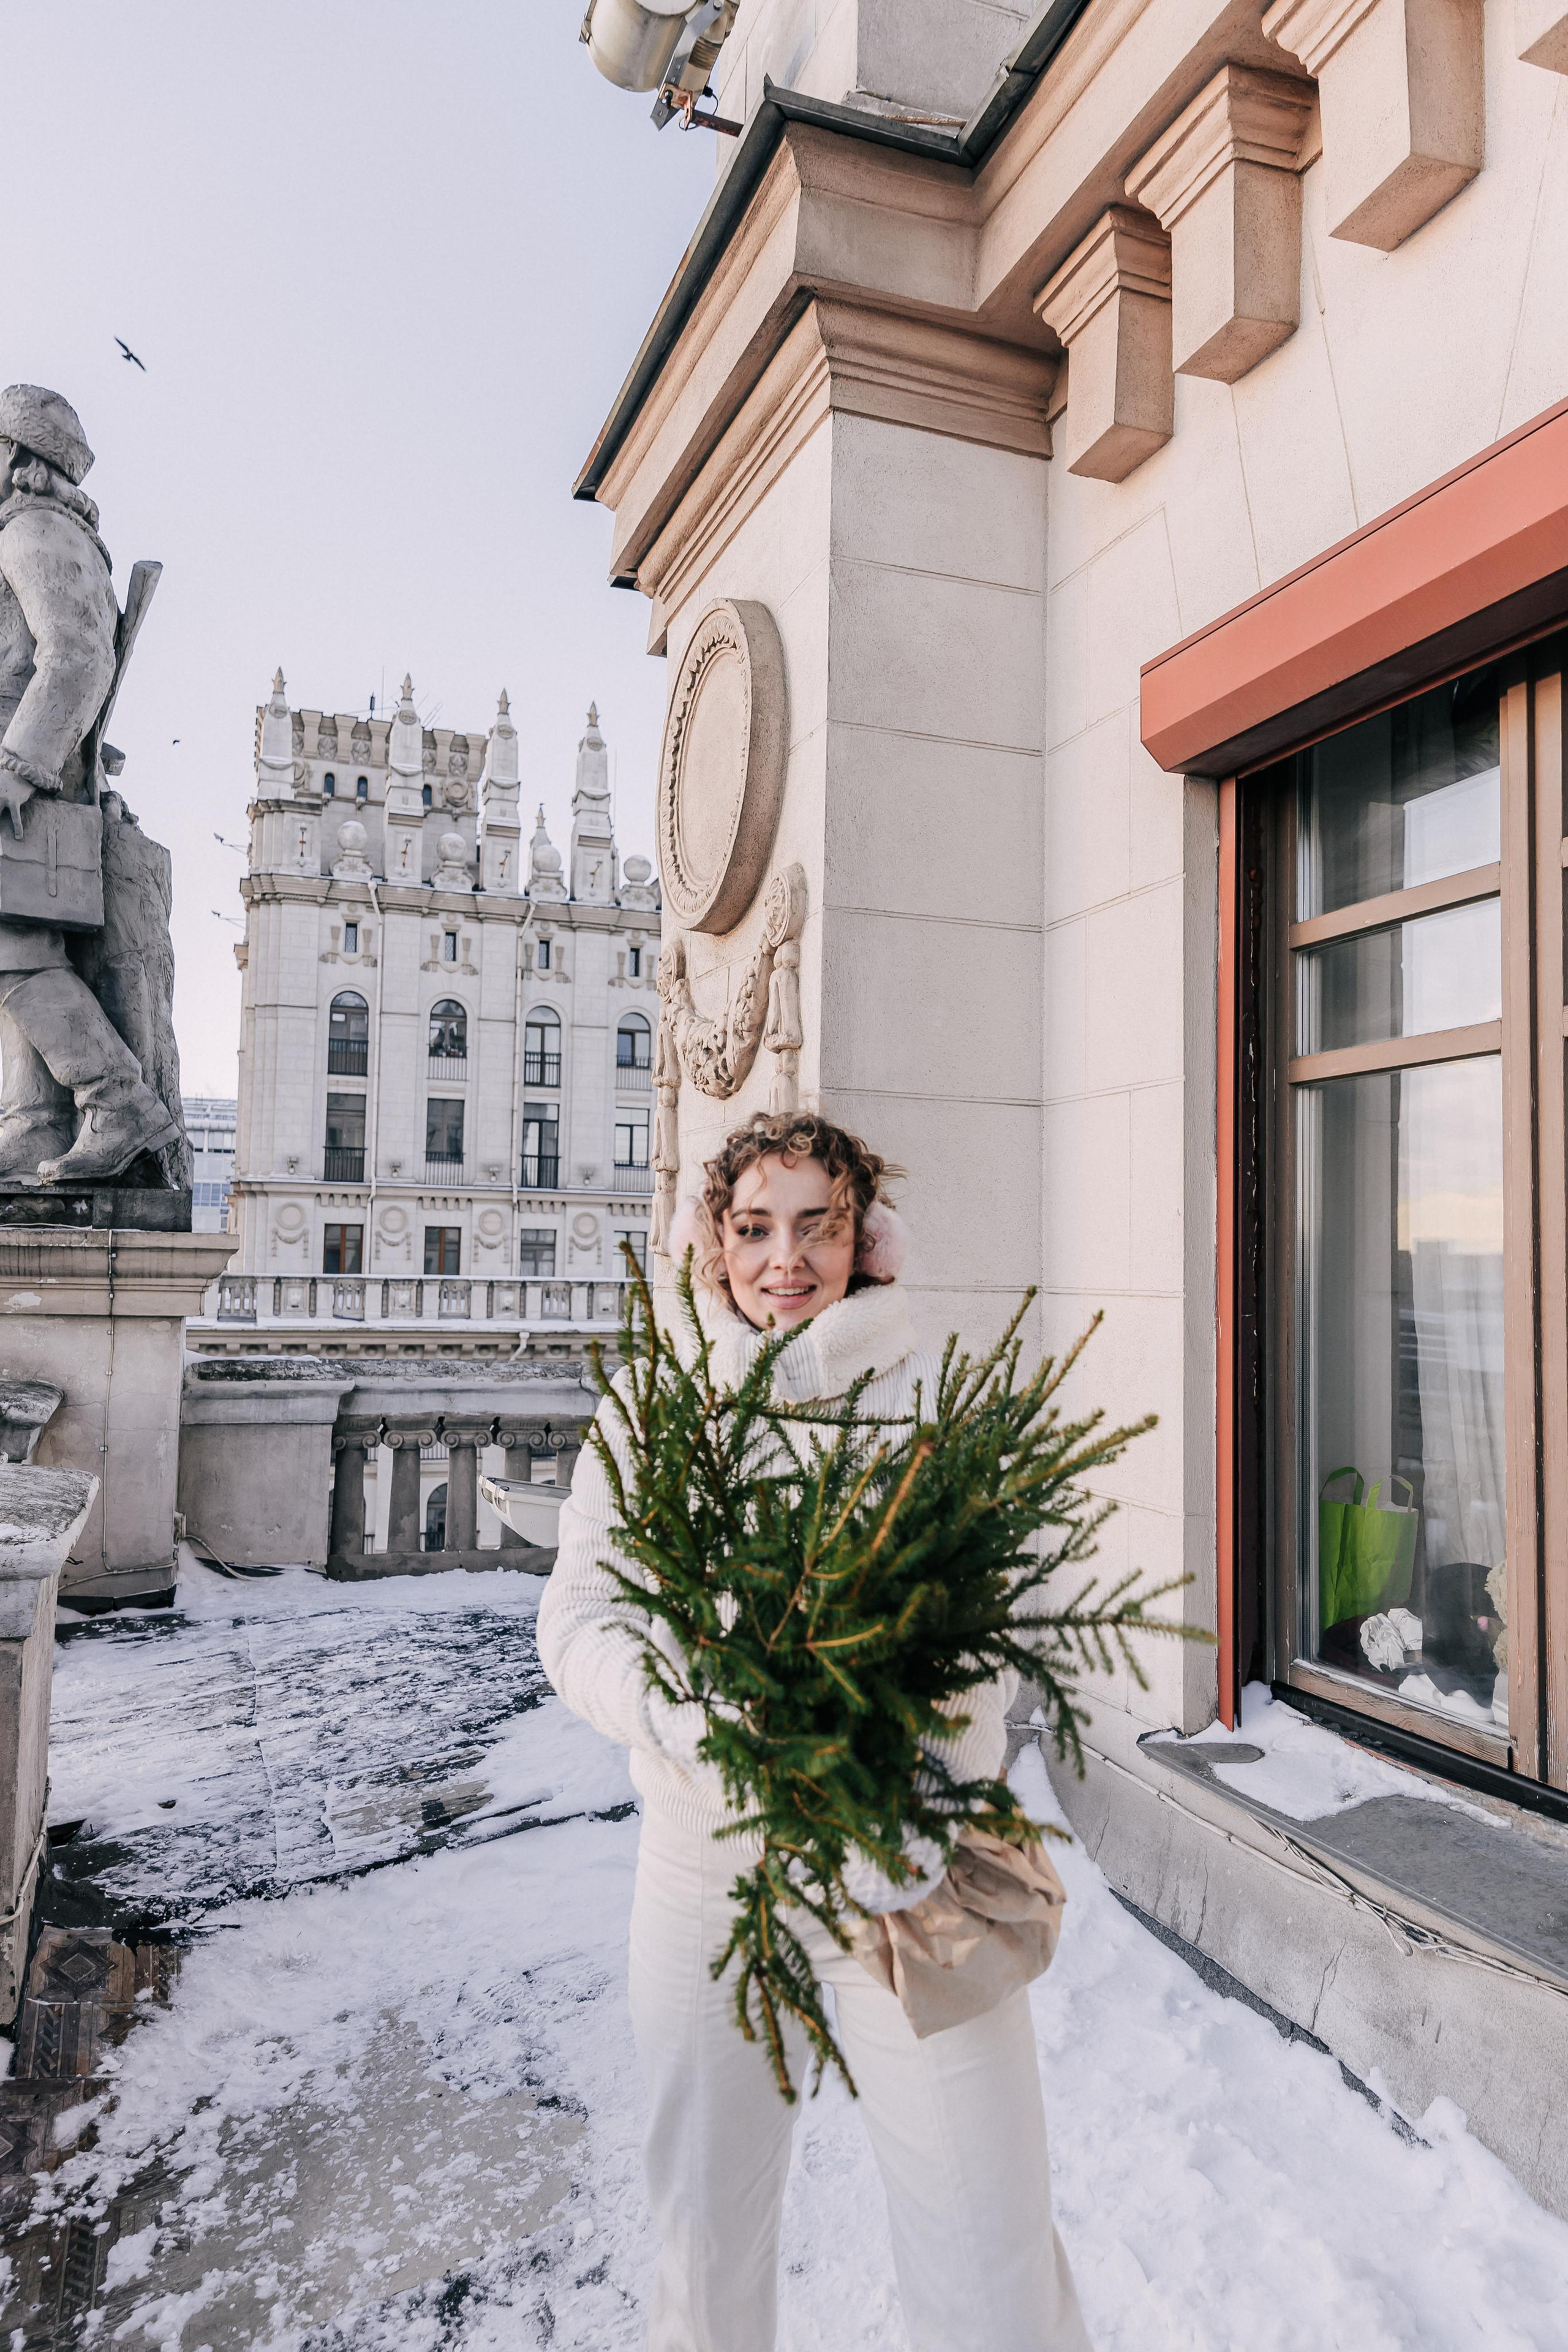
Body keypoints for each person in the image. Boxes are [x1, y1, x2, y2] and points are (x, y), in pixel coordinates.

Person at [538, 1110, 1093, 2352]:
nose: (783, 1260)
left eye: (815, 1227)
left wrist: (905, 1804)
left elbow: (983, 1636)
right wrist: (689, 1724)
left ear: (863, 1238)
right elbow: (579, 1616)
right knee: (702, 2236)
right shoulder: (655, 1406)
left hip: (902, 1871)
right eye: (753, 1228)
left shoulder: (927, 1400)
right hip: (704, 1867)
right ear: (712, 1239)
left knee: (986, 2240)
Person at [0, 383, 178, 1182]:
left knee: (15, 953)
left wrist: (16, 771)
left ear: (15, 456)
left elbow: (75, 656)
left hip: (27, 776)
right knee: (18, 945)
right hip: (33, 769)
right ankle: (36, 1122)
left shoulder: (35, 530)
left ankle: (119, 1103)